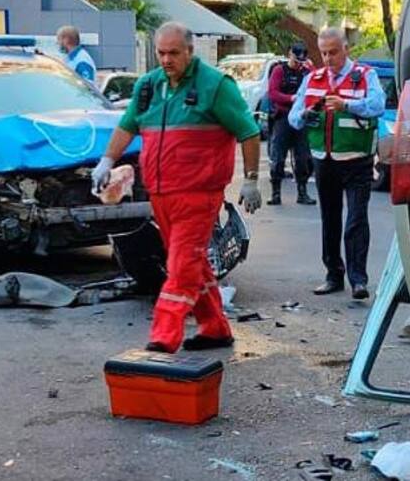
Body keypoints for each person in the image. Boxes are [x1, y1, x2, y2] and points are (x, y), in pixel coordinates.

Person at [92, 22, 262, 353]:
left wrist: (252, 180)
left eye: (173, 53)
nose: (166, 60)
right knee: (192, 262)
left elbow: (249, 131)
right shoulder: (148, 87)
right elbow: (127, 126)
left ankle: (164, 334)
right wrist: (106, 162)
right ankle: (214, 328)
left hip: (199, 195)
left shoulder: (215, 86)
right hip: (161, 194)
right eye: (161, 53)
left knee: (181, 265)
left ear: (189, 51)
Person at [288, 28, 385, 299]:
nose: (328, 58)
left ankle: (358, 280)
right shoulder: (312, 78)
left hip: (357, 160)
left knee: (356, 218)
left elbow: (377, 104)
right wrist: (307, 113)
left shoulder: (366, 75)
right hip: (324, 160)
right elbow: (293, 118)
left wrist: (347, 105)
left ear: (346, 49)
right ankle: (333, 275)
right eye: (324, 53)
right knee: (329, 219)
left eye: (334, 52)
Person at [266, 42, 316, 206]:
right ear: (290, 54)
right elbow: (272, 93)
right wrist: (290, 98)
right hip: (283, 117)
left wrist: (311, 68)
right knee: (278, 157)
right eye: (296, 60)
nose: (298, 64)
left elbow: (317, 86)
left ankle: (302, 192)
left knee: (303, 157)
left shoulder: (306, 72)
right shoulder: (279, 70)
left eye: (301, 61)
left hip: (301, 118)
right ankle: (276, 193)